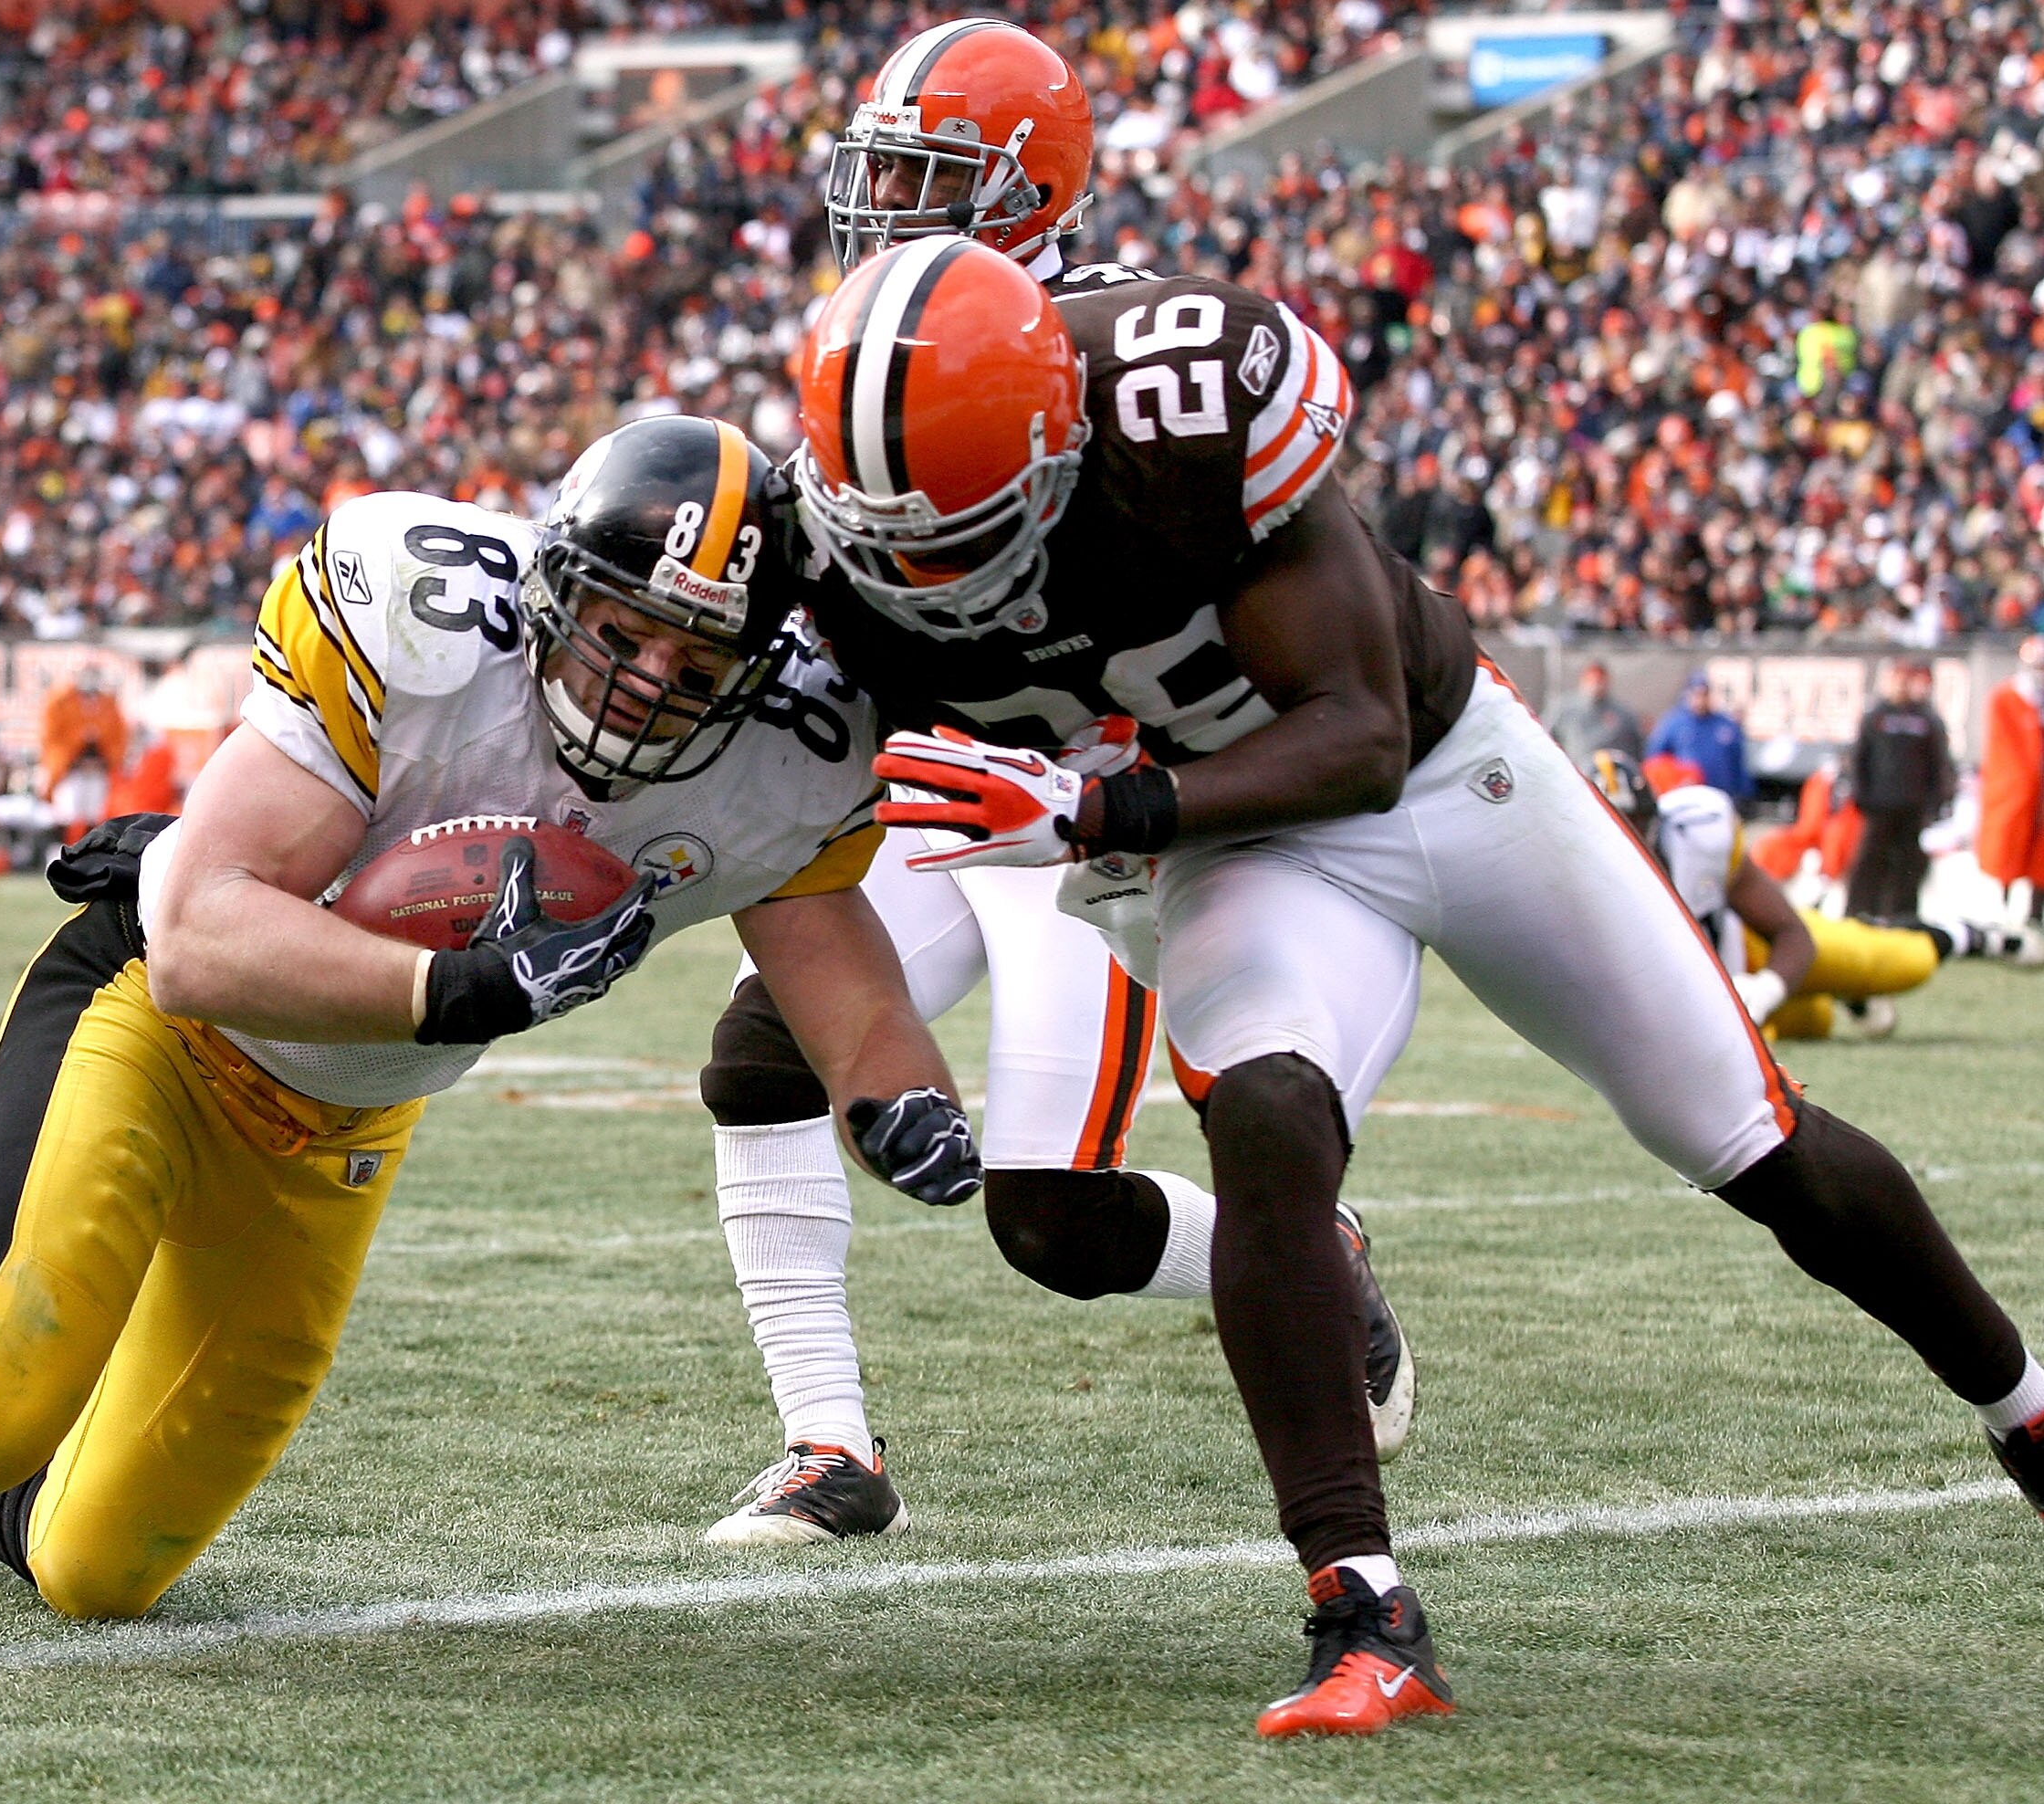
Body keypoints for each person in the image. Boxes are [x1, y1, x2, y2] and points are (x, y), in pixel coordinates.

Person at [792, 236, 2044, 1737]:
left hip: (1449, 777)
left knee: (1746, 1134)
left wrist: (1103, 813)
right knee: (1264, 1115)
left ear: (1064, 445)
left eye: (970, 525)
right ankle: (1362, 1607)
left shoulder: (1186, 420)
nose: (928, 572)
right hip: (1250, 853)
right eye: (891, 534)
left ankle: (2024, 1406)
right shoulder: (845, 554)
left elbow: (1361, 731)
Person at [0, 415, 975, 1622]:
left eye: (695, 660)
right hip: (154, 1021)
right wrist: (458, 985)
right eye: (618, 630)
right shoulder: (426, 616)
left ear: (759, 667)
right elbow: (198, 938)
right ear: (553, 590)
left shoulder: (786, 764)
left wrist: (908, 1106)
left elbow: (838, 972)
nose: (646, 681)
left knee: (96, 1570)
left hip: (338, 1120)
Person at [702, 17, 1412, 1547]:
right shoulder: (874, 344)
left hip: (1079, 823)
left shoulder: (1126, 360)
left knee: (1053, 1219)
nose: (881, 202)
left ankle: (1315, 1247)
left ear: (1030, 193)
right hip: (936, 789)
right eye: (875, 169)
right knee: (761, 1055)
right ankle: (830, 1439)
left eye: (925, 174)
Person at [1586, 751, 2035, 1044]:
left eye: (1636, 820)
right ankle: (1844, 995)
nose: (1631, 838)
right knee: (1815, 1024)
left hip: (1751, 954)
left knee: (1899, 965)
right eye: (1614, 825)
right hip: (1712, 1005)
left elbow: (1790, 932)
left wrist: (1764, 991)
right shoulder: (1579, 891)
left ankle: (1982, 939)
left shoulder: (1699, 836)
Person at [1845, 661, 1955, 924]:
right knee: (1869, 859)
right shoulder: (1876, 716)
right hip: (1879, 804)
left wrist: (1937, 800)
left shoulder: (1926, 719)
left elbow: (1938, 762)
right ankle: (1859, 910)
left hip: (1913, 805)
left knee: (1910, 863)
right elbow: (1860, 758)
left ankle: (1902, 913)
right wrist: (1861, 795)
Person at [1979, 636, 2044, 929]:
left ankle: (2034, 912)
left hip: (2036, 788)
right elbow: (2009, 749)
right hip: (2017, 787)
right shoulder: (2007, 697)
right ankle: (2001, 908)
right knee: (2007, 845)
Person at [41, 666, 127, 845]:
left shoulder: (107, 704)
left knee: (93, 815)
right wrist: (70, 755)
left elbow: (118, 738)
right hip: (71, 769)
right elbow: (52, 738)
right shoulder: (62, 701)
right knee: (66, 813)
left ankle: (87, 854)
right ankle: (59, 853)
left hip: (98, 769)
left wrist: (106, 759)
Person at [1645, 670, 1752, 802]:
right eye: (1696, 693)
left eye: (1704, 694)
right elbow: (1655, 761)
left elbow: (1738, 763)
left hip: (1722, 797)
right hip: (1685, 799)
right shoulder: (1674, 723)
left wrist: (1745, 795)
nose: (1700, 699)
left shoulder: (1726, 725)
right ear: (1687, 694)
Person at [1546, 659, 1640, 773]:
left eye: (1600, 680)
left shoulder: (1622, 713)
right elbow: (1545, 736)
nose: (1596, 684)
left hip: (1614, 775)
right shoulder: (1563, 708)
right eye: (1592, 679)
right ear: (1583, 679)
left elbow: (1637, 746)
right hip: (1574, 772)